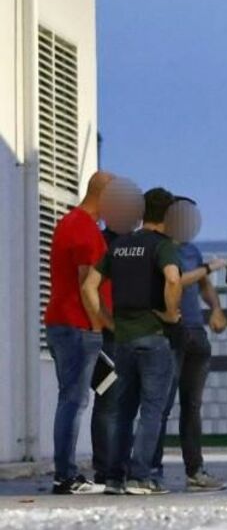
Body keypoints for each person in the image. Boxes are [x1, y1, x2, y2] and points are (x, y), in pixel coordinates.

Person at [81, 187, 183, 495]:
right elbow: (174, 278)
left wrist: (105, 321)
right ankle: (141, 476)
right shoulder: (162, 246)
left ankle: (114, 477)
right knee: (152, 409)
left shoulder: (121, 244)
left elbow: (89, 286)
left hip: (122, 340)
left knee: (122, 410)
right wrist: (169, 312)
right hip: (153, 338)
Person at [43, 171, 115, 494]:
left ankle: (65, 474)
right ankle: (66, 476)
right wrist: (102, 325)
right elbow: (89, 288)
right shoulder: (86, 231)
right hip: (78, 327)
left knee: (70, 398)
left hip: (63, 323)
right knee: (74, 400)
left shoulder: (69, 223)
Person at [155, 196, 227, 490]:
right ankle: (151, 469)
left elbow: (202, 285)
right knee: (161, 403)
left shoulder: (191, 249)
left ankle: (195, 470)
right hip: (171, 332)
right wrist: (209, 268)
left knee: (192, 405)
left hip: (196, 332)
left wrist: (217, 308)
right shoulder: (160, 249)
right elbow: (178, 280)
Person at [88, 177, 144, 485]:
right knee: (108, 402)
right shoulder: (101, 242)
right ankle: (105, 469)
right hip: (108, 335)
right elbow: (89, 287)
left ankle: (119, 466)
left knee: (125, 404)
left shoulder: (140, 244)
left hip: (131, 333)